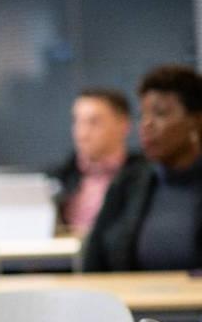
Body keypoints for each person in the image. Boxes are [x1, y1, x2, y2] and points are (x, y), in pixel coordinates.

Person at [83, 65, 202, 273]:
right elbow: (94, 261)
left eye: (160, 114)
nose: (147, 124)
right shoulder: (128, 182)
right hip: (133, 303)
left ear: (196, 120)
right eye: (143, 114)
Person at [49, 89, 139, 236]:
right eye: (77, 121)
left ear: (123, 125)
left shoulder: (144, 177)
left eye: (94, 122)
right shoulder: (61, 176)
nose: (82, 133)